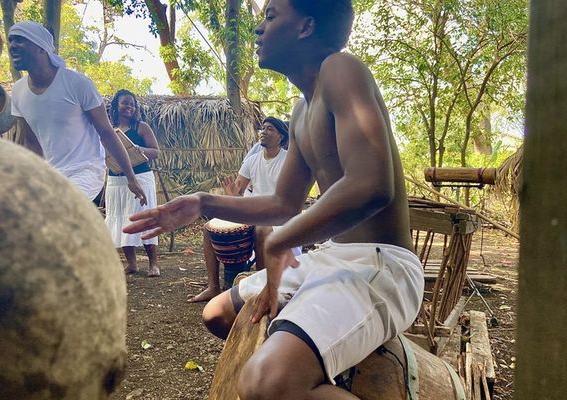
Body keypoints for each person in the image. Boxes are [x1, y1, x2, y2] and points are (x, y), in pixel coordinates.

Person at [124, 1, 424, 399]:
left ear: (306, 26)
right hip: (333, 257)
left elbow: (372, 185)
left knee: (264, 383)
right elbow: (283, 203)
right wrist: (203, 202)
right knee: (217, 315)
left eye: (270, 16)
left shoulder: (341, 69)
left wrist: (280, 241)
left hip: (380, 264)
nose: (257, 30)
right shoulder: (301, 110)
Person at [8, 21, 147, 205]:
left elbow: (106, 132)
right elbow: (31, 142)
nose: (12, 46)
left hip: (86, 170)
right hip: (51, 173)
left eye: (20, 40)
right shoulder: (18, 92)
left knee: (61, 208)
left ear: (41, 48)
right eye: (10, 41)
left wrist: (130, 176)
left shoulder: (77, 84)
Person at [188, 117, 294, 303]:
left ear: (281, 137)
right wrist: (232, 195)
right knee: (209, 228)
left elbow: (289, 199)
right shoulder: (252, 161)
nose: (263, 132)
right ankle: (213, 287)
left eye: (270, 129)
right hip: (253, 211)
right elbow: (238, 192)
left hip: (278, 215)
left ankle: (262, 286)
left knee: (262, 230)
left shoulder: (288, 160)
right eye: (262, 128)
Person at [105, 89, 160, 277]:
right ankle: (132, 263)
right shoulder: (109, 130)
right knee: (121, 218)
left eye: (132, 104)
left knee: (145, 218)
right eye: (125, 103)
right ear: (116, 106)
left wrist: (139, 149)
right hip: (115, 180)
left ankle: (153, 264)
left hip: (141, 178)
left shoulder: (141, 127)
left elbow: (155, 151)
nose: (129, 107)